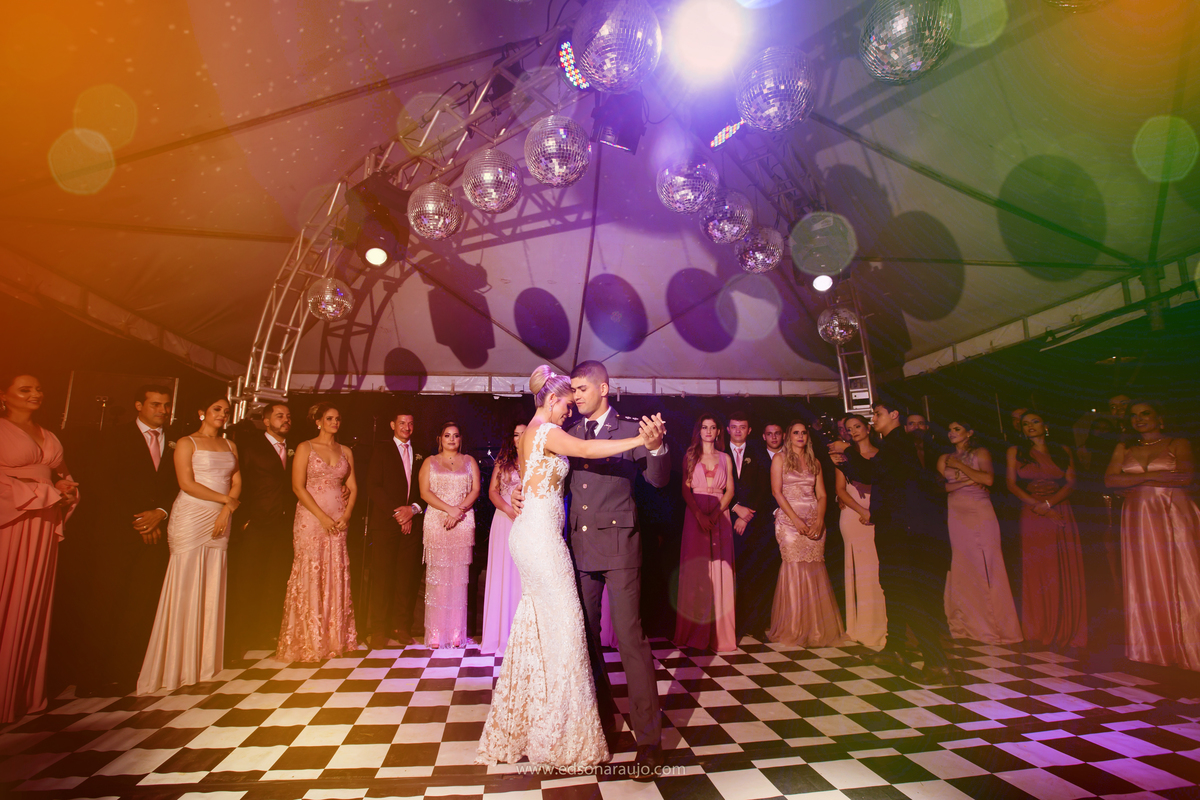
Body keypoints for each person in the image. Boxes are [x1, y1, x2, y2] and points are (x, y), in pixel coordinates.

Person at [476, 366, 655, 769]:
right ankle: (562, 729)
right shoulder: (545, 430)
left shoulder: (535, 432)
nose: (569, 411)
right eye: (566, 404)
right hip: (541, 541)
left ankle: (539, 720)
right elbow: (587, 452)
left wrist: (520, 495)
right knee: (569, 630)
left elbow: (535, 479)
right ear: (552, 399)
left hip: (537, 535)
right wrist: (639, 439)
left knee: (543, 630)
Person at [565, 361, 669, 776]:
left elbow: (658, 480)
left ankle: (649, 741)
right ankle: (602, 726)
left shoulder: (630, 429)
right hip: (580, 547)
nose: (575, 396)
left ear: (603, 388)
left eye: (581, 389)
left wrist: (657, 448)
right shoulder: (569, 432)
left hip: (621, 547)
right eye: (573, 389)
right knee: (587, 641)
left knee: (630, 640)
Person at [834, 395, 953, 684]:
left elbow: (869, 473)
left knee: (902, 590)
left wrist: (846, 452)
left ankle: (937, 662)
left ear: (894, 414)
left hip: (900, 529)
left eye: (878, 413)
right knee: (893, 587)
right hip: (895, 527)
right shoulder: (895, 444)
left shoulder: (897, 443)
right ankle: (895, 648)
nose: (873, 418)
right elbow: (875, 474)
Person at [137, 396, 240, 694]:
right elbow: (186, 483)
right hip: (192, 515)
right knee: (184, 582)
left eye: (226, 411)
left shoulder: (231, 445)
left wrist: (226, 510)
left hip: (221, 517)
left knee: (212, 581)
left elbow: (237, 481)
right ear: (201, 412)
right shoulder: (186, 442)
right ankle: (174, 665)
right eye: (216, 409)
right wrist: (226, 500)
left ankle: (204, 664)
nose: (222, 414)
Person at [84, 384, 179, 695]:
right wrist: (141, 519)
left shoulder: (177, 441)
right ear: (139, 405)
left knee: (141, 603)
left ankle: (128, 672)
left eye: (166, 405)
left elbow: (177, 484)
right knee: (106, 602)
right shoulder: (114, 436)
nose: (162, 410)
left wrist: (160, 513)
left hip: (157, 533)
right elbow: (101, 482)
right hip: (118, 532)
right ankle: (91, 677)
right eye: (155, 404)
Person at [0, 373, 79, 722]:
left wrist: (67, 490)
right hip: (12, 519)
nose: (35, 394)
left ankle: (18, 693)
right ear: (4, 396)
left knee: (31, 601)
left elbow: (62, 477)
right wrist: (41, 492)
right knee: (5, 597)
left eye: (38, 389)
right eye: (25, 389)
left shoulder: (48, 434)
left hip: (44, 523)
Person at [1105, 400, 1200, 670]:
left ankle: (1190, 644)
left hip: (1173, 512)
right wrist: (1156, 478)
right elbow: (1110, 480)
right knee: (1146, 576)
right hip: (1137, 517)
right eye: (1133, 415)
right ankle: (1154, 647)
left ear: (1160, 418)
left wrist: (1137, 480)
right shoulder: (1124, 448)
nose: (1139, 419)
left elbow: (1185, 477)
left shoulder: (1178, 443)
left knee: (1184, 573)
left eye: (1145, 413)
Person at [276, 403, 358, 662]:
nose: (335, 422)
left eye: (338, 418)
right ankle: (309, 640)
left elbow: (353, 486)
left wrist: (346, 515)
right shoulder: (305, 447)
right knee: (311, 571)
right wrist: (322, 517)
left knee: (335, 570)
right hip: (311, 519)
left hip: (338, 518)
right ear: (318, 421)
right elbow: (297, 486)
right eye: (330, 418)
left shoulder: (345, 451)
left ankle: (334, 638)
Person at [1006, 411, 1086, 651]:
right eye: (1025, 424)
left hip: (1060, 507)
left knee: (1060, 566)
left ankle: (1063, 626)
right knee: (1037, 566)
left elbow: (1072, 483)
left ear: (1046, 425)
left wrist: (1050, 505)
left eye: (1035, 422)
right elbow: (1011, 485)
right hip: (1032, 512)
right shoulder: (1015, 451)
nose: (1029, 426)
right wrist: (1040, 507)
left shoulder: (1062, 450)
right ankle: (1038, 627)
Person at [939, 419, 1021, 645]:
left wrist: (961, 467)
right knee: (963, 563)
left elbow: (988, 479)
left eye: (957, 429)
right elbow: (941, 487)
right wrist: (967, 482)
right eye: (950, 429)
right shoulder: (944, 458)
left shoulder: (980, 452)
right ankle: (965, 624)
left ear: (969, 432)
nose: (951, 433)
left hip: (980, 509)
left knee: (987, 563)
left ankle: (995, 625)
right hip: (956, 512)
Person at [227, 401, 294, 659]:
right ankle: (240, 638)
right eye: (279, 416)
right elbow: (237, 483)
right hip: (256, 524)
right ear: (266, 421)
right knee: (248, 581)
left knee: (276, 581)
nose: (285, 420)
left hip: (285, 526)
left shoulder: (297, 448)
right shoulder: (250, 447)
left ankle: (268, 633)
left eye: (288, 416)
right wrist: (244, 520)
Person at [768, 420, 844, 647]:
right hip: (789, 521)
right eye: (795, 433)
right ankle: (794, 628)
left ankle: (815, 629)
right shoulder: (779, 459)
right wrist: (795, 520)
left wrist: (819, 520)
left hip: (813, 519)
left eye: (803, 433)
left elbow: (822, 495)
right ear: (788, 436)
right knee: (793, 569)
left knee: (815, 570)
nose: (800, 436)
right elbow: (776, 492)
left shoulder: (815, 462)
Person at [674, 415, 736, 652]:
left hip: (720, 515)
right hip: (695, 515)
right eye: (704, 427)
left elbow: (730, 491)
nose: (708, 431)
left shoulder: (725, 458)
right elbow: (685, 489)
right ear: (698, 431)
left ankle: (720, 634)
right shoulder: (690, 455)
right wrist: (700, 515)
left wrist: (716, 514)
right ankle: (694, 632)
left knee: (721, 570)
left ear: (719, 431)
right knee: (697, 571)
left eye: (712, 427)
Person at [366, 410, 426, 650]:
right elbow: (373, 486)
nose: (406, 427)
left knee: (406, 578)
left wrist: (413, 510)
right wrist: (399, 513)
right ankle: (378, 630)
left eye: (410, 423)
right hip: (386, 524)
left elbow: (426, 488)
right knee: (382, 578)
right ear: (392, 424)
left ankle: (401, 627)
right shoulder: (381, 450)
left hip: (413, 523)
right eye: (402, 423)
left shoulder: (421, 452)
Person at [418, 421, 480, 648]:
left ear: (460, 438)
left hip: (462, 521)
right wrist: (449, 510)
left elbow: (475, 490)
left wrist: (459, 511)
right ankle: (436, 632)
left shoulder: (470, 461)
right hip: (438, 521)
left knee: (458, 578)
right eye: (447, 435)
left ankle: (456, 632)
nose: (451, 439)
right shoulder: (430, 462)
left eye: (455, 435)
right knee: (438, 578)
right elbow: (424, 492)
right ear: (440, 439)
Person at [834, 414, 886, 650]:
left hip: (880, 513)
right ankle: (861, 626)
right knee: (860, 571)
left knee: (878, 570)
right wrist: (862, 511)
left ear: (868, 428)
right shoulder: (843, 458)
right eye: (849, 428)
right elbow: (840, 490)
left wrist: (875, 511)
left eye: (857, 426)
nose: (853, 431)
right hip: (853, 516)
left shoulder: (882, 454)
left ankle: (884, 624)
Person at [728, 411, 775, 641]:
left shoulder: (759, 454)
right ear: (728, 429)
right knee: (730, 576)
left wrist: (746, 515)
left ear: (749, 430)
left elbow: (766, 488)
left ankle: (755, 625)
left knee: (754, 574)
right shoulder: (719, 453)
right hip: (726, 521)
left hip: (754, 523)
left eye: (743, 427)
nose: (738, 431)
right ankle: (731, 626)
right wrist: (735, 508)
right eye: (734, 427)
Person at [479, 423, 525, 656]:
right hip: (504, 518)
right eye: (516, 434)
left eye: (524, 434)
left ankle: (522, 634)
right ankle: (499, 634)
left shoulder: (536, 460)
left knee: (521, 574)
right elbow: (492, 492)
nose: (520, 438)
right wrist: (508, 509)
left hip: (527, 519)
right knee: (503, 571)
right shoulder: (503, 460)